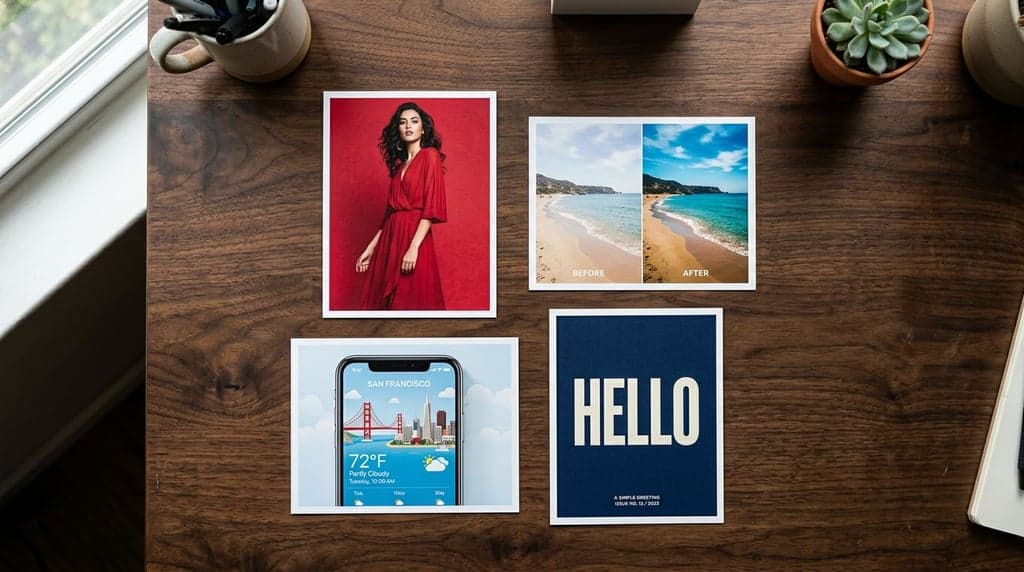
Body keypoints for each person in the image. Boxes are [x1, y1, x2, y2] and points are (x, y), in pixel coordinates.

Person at [355, 102, 448, 310]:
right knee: (385, 306)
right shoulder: (400, 167)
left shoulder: (429, 156)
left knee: (411, 298)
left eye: (414, 121)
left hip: (414, 235)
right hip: (390, 238)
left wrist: (413, 248)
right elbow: (389, 215)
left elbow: (430, 209)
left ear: (423, 129)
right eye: (403, 122)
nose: (408, 126)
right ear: (398, 129)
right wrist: (370, 248)